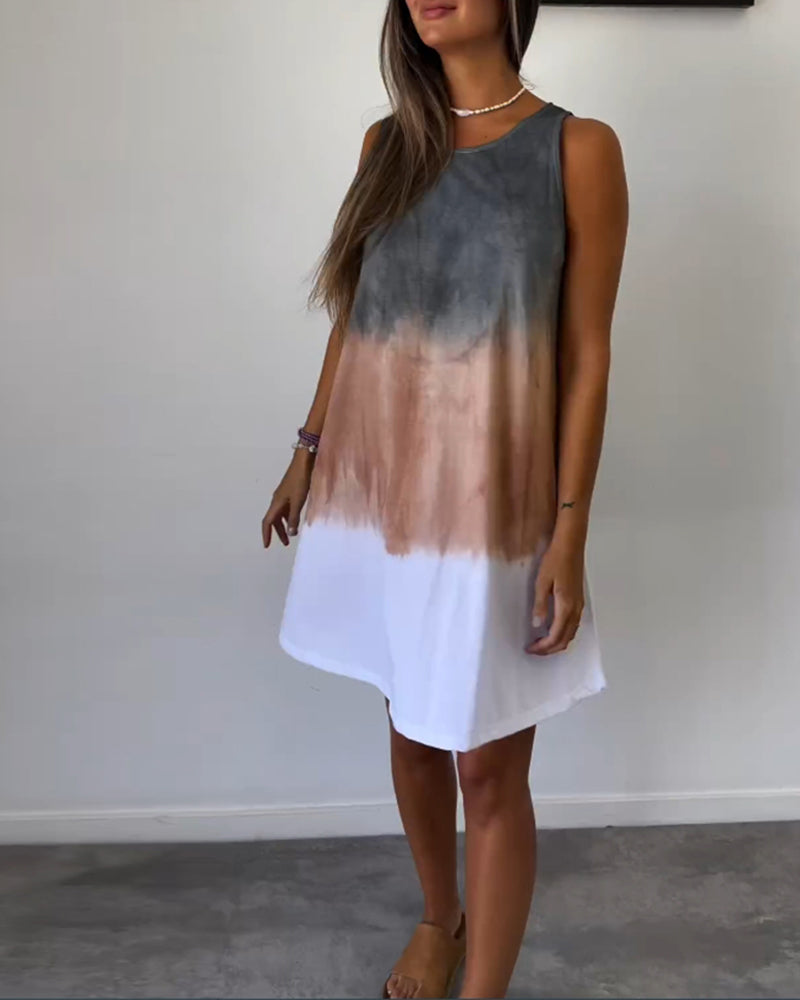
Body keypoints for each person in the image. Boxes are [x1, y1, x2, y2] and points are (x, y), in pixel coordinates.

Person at [263, 1, 628, 996]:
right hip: (383, 498)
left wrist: (569, 531)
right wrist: (307, 449)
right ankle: (440, 917)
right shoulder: (387, 146)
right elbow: (355, 315)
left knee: (488, 766)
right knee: (410, 727)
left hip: (496, 513)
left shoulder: (577, 150)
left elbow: (587, 357)